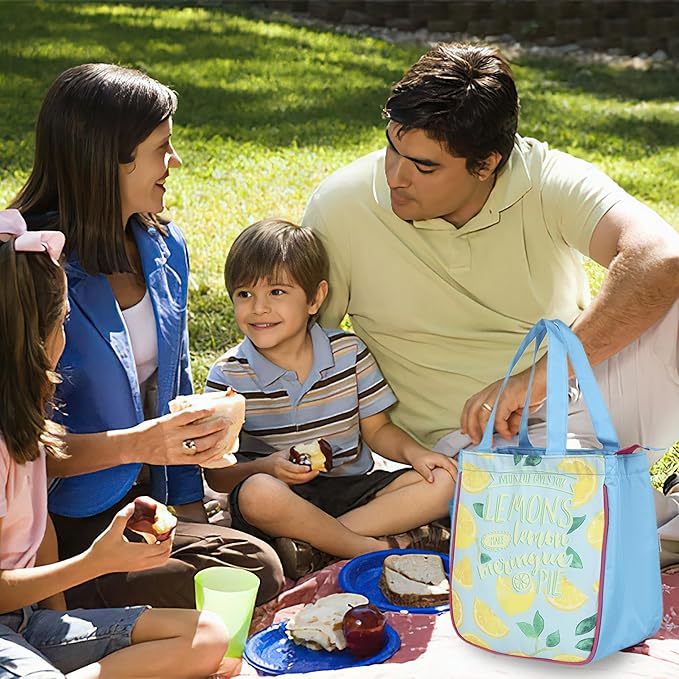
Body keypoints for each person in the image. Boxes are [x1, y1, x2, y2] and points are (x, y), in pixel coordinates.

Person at [301, 43, 679, 565]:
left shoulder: (545, 178)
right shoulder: (340, 206)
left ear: (487, 164)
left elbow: (661, 256)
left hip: (585, 397)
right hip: (472, 447)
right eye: (392, 148)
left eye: (425, 167)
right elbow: (296, 345)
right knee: (553, 528)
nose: (395, 176)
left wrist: (540, 377)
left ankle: (631, 520)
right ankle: (640, 524)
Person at [9, 63, 284, 608]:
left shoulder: (165, 246)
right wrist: (139, 443)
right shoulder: (29, 267)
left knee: (253, 566)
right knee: (242, 577)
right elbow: (19, 442)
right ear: (107, 157)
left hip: (146, 500)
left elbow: (172, 386)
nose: (174, 162)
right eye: (162, 147)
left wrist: (188, 510)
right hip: (56, 524)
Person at [0, 209, 236, 679]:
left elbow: (36, 528)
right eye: (62, 323)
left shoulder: (23, 421)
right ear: (32, 337)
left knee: (209, 635)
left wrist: (57, 621)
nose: (65, 340)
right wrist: (94, 563)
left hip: (27, 622)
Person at [203, 219, 458, 580]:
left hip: (351, 489)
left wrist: (418, 454)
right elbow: (218, 476)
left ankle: (316, 546)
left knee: (444, 480)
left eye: (277, 292)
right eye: (245, 294)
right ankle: (372, 549)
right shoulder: (228, 375)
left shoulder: (348, 352)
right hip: (281, 501)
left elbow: (378, 430)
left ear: (315, 298)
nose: (258, 308)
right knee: (258, 493)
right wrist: (268, 467)